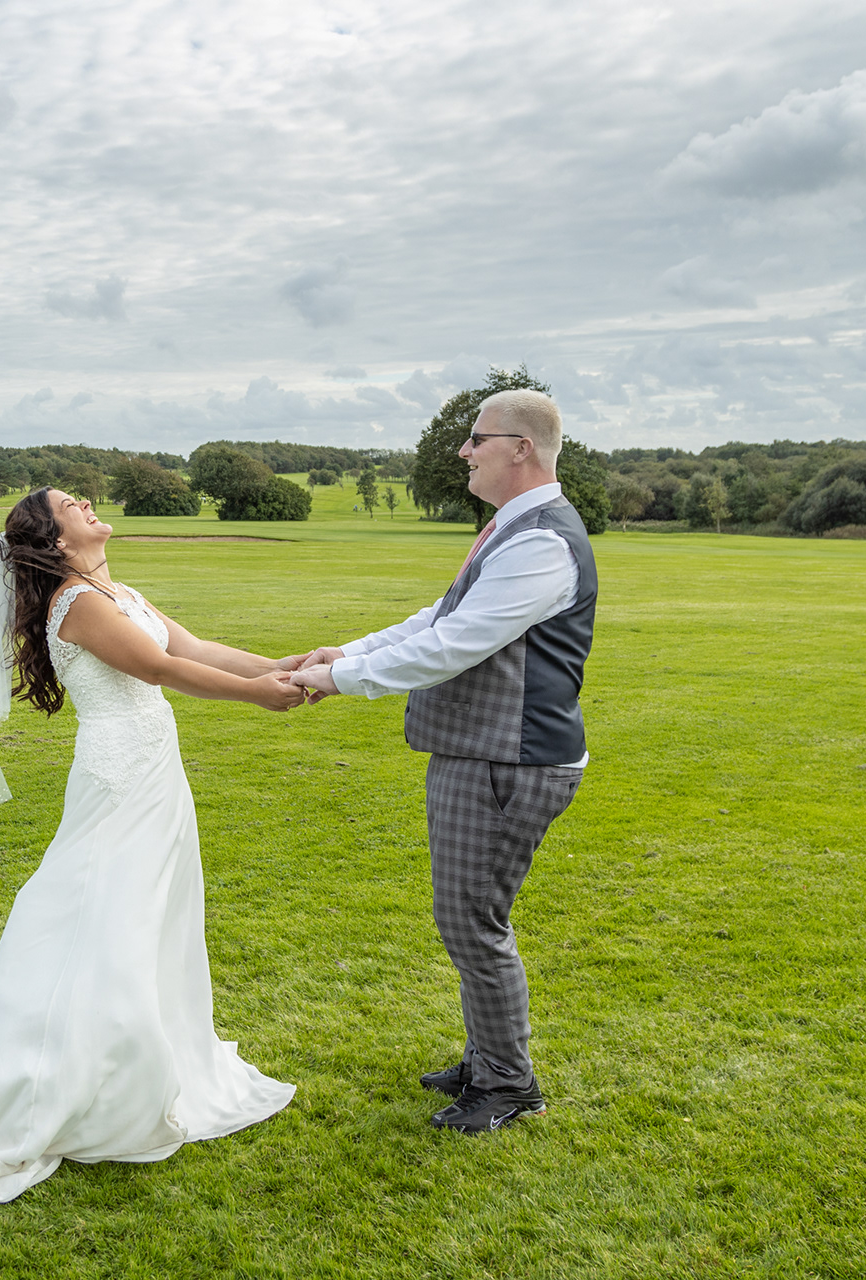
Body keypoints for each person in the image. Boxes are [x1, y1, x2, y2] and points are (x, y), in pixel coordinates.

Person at [0, 488, 304, 1202]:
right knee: (103, 906)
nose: (89, 502)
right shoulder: (77, 603)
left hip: (154, 772)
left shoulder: (118, 591)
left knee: (149, 912)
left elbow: (193, 648)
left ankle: (136, 1056)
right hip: (118, 774)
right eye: (71, 503)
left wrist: (287, 664)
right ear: (55, 541)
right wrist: (260, 696)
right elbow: (156, 670)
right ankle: (66, 1076)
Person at [289, 389, 597, 1134]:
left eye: (476, 438)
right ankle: (488, 1056)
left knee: (472, 922)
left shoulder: (541, 541)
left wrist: (334, 680)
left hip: (508, 760)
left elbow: (454, 647)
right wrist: (352, 650)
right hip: (485, 752)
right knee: (465, 918)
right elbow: (442, 617)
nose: (464, 450)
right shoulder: (516, 529)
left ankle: (507, 1084)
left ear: (521, 448)